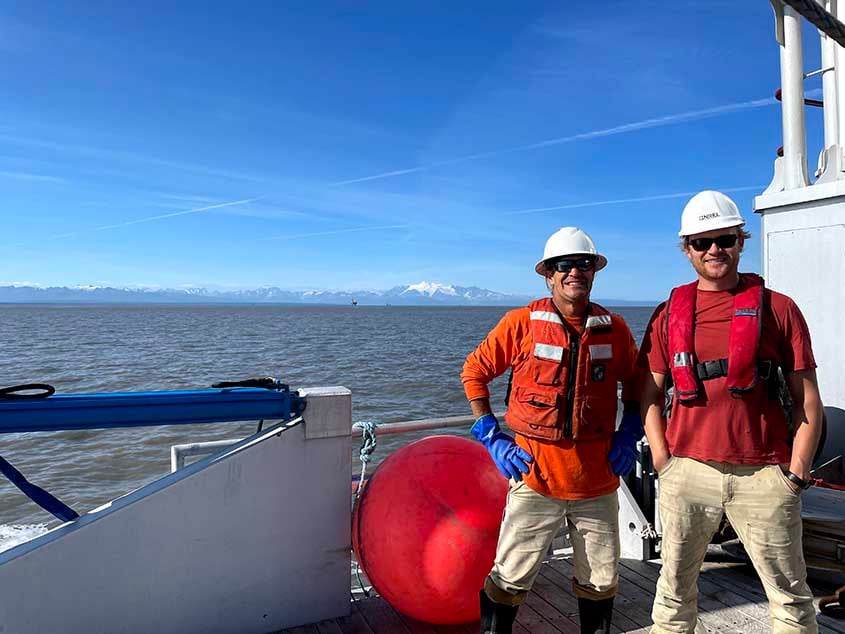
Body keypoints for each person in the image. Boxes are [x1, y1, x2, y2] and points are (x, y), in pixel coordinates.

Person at [640, 190, 824, 633]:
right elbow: (648, 393)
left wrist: (794, 474)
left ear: (742, 241)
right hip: (687, 473)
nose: (714, 250)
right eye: (701, 242)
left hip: (764, 476)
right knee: (673, 593)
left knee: (791, 599)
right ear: (687, 250)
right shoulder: (668, 315)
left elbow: (808, 401)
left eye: (724, 238)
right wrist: (665, 463)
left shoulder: (779, 309)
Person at [461, 226, 643, 634]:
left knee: (600, 580)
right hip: (534, 477)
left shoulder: (615, 329)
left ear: (594, 271)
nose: (573, 272)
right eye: (564, 265)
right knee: (509, 577)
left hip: (597, 482)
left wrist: (629, 431)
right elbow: (474, 372)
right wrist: (488, 431)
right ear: (548, 274)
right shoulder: (521, 323)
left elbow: (637, 383)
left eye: (583, 264)